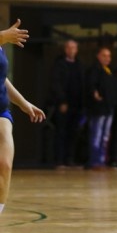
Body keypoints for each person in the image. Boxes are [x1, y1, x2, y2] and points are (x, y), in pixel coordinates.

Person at [0, 20, 46, 233]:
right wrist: (3, 36)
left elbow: (3, 79)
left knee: (5, 165)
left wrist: (24, 103)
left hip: (1, 111)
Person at [49, 39, 84, 168]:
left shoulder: (79, 65)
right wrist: (62, 101)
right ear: (65, 49)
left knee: (73, 133)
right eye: (69, 48)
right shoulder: (59, 64)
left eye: (73, 47)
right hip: (63, 105)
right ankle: (59, 160)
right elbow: (56, 84)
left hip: (77, 105)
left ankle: (70, 159)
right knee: (61, 132)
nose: (71, 50)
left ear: (77, 50)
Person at [85, 47, 117, 169]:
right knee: (97, 135)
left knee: (105, 136)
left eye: (109, 56)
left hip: (108, 109)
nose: (107, 58)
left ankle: (101, 160)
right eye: (104, 55)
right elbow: (91, 86)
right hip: (98, 109)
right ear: (98, 56)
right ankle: (94, 161)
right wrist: (95, 94)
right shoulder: (94, 70)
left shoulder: (109, 71)